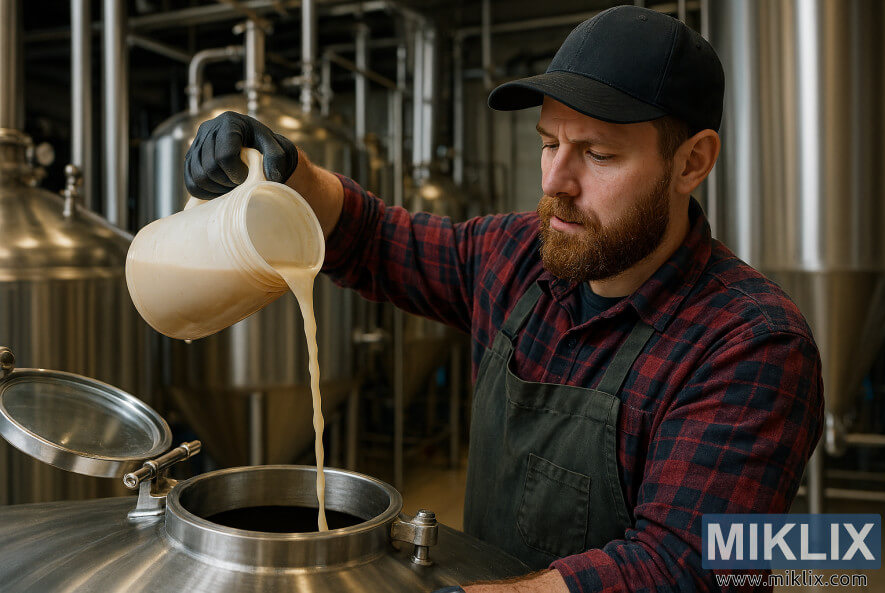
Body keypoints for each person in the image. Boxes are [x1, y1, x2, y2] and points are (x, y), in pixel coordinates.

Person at [183, 6, 824, 592]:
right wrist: (287, 171)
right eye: (549, 143)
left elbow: (683, 564)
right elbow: (375, 239)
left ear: (692, 162)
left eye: (597, 155)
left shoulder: (752, 344)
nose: (554, 181)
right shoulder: (518, 258)